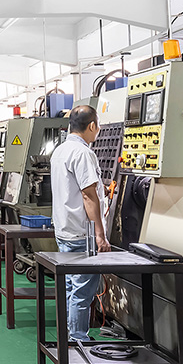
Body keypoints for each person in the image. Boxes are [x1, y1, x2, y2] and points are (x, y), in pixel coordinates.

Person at [49, 104, 110, 343]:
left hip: (64, 229)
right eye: (98, 125)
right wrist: (100, 235)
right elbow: (88, 195)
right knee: (82, 291)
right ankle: (77, 339)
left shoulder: (60, 151)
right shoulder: (83, 153)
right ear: (92, 125)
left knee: (70, 286)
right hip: (81, 233)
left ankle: (68, 334)